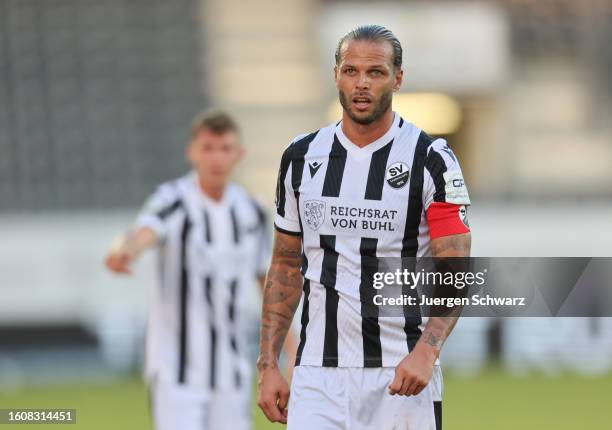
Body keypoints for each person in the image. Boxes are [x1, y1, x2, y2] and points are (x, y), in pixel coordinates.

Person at [257, 25, 472, 430]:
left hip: (402, 372)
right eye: (351, 70)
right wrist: (268, 364)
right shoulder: (301, 157)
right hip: (318, 375)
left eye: (375, 72)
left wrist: (427, 350)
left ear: (398, 78)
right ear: (336, 74)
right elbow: (285, 263)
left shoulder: (431, 159)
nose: (361, 83)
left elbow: (456, 268)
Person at [104, 110, 297, 430]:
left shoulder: (251, 211)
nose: (216, 158)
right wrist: (128, 251)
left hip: (232, 368)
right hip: (176, 369)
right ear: (192, 152)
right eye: (208, 148)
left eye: (224, 148)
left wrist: (290, 347)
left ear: (239, 154)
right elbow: (145, 231)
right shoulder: (172, 200)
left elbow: (268, 283)